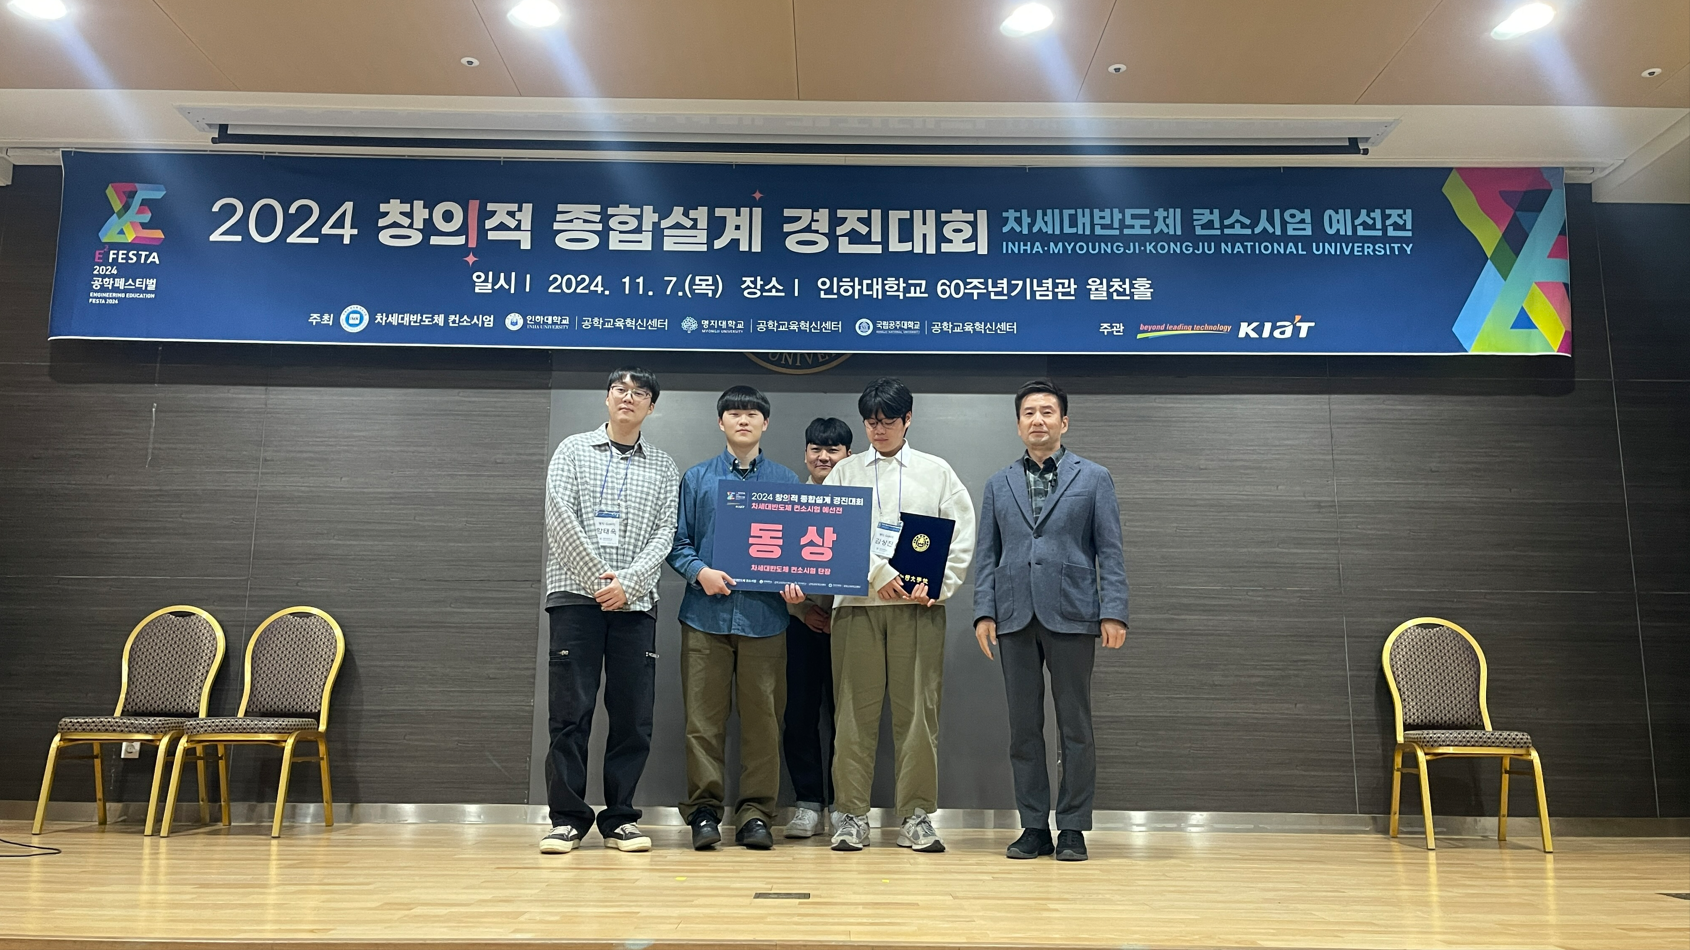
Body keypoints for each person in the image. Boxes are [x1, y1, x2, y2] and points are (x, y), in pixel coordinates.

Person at [973, 379, 1128, 863]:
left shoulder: (1094, 477)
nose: (1037, 420)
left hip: (1074, 613)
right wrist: (983, 611)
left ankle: (1074, 827)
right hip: (1014, 615)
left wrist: (1113, 610)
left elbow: (1110, 550)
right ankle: (1034, 826)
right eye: (1028, 413)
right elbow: (987, 554)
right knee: (1023, 728)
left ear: (1064, 421)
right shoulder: (998, 483)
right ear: (1018, 424)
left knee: (1075, 726)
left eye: (1046, 412)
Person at [823, 378, 975, 853]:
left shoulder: (936, 471)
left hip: (918, 610)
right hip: (857, 608)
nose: (879, 430)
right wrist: (877, 572)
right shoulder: (845, 472)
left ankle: (916, 815)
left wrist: (939, 586)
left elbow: (961, 535)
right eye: (871, 422)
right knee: (853, 714)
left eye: (888, 421)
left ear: (908, 419)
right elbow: (830, 532)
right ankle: (851, 815)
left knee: (918, 716)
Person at [540, 367, 680, 855]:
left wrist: (630, 584)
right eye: (620, 390)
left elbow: (665, 532)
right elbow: (560, 518)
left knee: (632, 717)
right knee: (569, 714)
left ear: (651, 407)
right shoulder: (572, 450)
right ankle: (567, 819)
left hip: (635, 605)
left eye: (639, 393)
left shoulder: (664, 467)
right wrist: (602, 584)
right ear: (607, 398)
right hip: (575, 600)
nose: (628, 398)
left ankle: (621, 818)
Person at [667, 386, 802, 851]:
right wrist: (699, 572)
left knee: (764, 722)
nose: (743, 420)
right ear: (720, 422)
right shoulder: (697, 478)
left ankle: (756, 815)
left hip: (766, 618)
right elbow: (677, 543)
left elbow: (798, 548)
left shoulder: (786, 480)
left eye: (752, 414)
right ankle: (704, 811)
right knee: (702, 722)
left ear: (766, 423)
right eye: (734, 413)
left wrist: (796, 581)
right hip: (704, 617)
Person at [780, 417, 853, 839]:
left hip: (852, 624)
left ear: (848, 454)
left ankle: (846, 805)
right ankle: (808, 803)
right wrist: (802, 608)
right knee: (799, 715)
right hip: (800, 624)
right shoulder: (789, 500)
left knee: (850, 718)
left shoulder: (861, 499)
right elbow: (770, 563)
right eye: (816, 448)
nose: (823, 457)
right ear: (806, 452)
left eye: (833, 449)